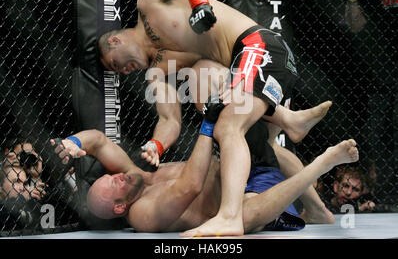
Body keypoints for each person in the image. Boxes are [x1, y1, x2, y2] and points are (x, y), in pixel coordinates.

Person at [97, 0, 332, 236]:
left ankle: (230, 216)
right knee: (209, 83)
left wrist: (199, 2)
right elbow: (170, 120)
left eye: (115, 64)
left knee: (228, 128)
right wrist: (157, 146)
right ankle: (291, 131)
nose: (123, 71)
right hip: (243, 66)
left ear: (117, 40)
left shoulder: (148, 4)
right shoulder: (158, 68)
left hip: (257, 46)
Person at [50, 126, 358, 235]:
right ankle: (322, 164)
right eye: (115, 184)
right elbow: (191, 186)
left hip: (242, 168)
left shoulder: (138, 175)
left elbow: (100, 141)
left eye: (112, 175)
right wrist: (207, 126)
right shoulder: (143, 215)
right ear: (120, 208)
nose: (118, 176)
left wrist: (70, 144)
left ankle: (317, 209)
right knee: (244, 216)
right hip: (254, 200)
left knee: (263, 141)